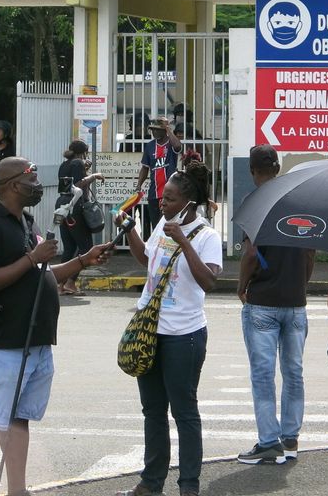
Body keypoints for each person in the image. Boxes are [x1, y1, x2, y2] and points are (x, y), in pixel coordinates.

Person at [0, 157, 112, 496]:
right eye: (32, 179)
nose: (37, 186)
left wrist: (82, 261)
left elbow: (40, 274)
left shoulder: (25, 221)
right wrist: (33, 257)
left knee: (19, 419)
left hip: (35, 338)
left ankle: (17, 490)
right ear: (14, 184)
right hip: (4, 341)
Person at [113, 153, 222, 496]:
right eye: (162, 196)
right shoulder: (163, 222)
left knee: (184, 411)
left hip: (184, 336)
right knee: (153, 411)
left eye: (170, 198)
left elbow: (209, 282)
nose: (162, 202)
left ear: (189, 202)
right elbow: (147, 258)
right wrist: (130, 229)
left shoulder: (206, 235)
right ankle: (151, 483)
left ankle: (189, 485)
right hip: (150, 331)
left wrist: (185, 241)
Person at [236, 144, 315, 465]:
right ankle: (291, 438)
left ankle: (269, 442)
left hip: (263, 303)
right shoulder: (301, 202)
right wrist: (300, 284)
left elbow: (252, 253)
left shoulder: (254, 201)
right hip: (295, 302)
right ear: (278, 167)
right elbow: (310, 252)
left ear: (253, 171)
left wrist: (242, 286)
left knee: (263, 374)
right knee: (294, 372)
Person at [55, 139, 104, 295]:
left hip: (62, 204)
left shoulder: (65, 164)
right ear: (83, 152)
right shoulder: (77, 163)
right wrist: (94, 176)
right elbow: (78, 184)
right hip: (74, 207)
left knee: (69, 247)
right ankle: (70, 282)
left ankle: (60, 285)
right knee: (85, 247)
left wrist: (86, 171)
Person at [133, 116, 181, 239]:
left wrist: (168, 129)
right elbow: (145, 168)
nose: (154, 132)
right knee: (157, 226)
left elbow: (178, 147)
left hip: (170, 194)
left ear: (164, 130)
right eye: (152, 130)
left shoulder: (171, 143)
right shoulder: (149, 146)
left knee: (169, 225)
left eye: (157, 129)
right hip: (154, 194)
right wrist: (139, 184)